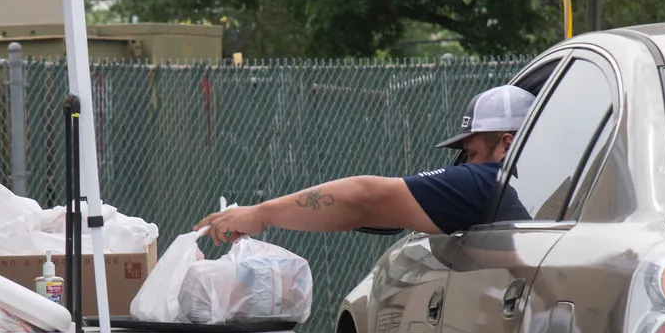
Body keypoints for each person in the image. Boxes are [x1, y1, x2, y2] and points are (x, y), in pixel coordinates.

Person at [196, 85, 536, 243]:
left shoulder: (490, 182)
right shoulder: (553, 188)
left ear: (506, 144)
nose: (466, 164)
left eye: (472, 153)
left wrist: (260, 214)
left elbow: (363, 197)